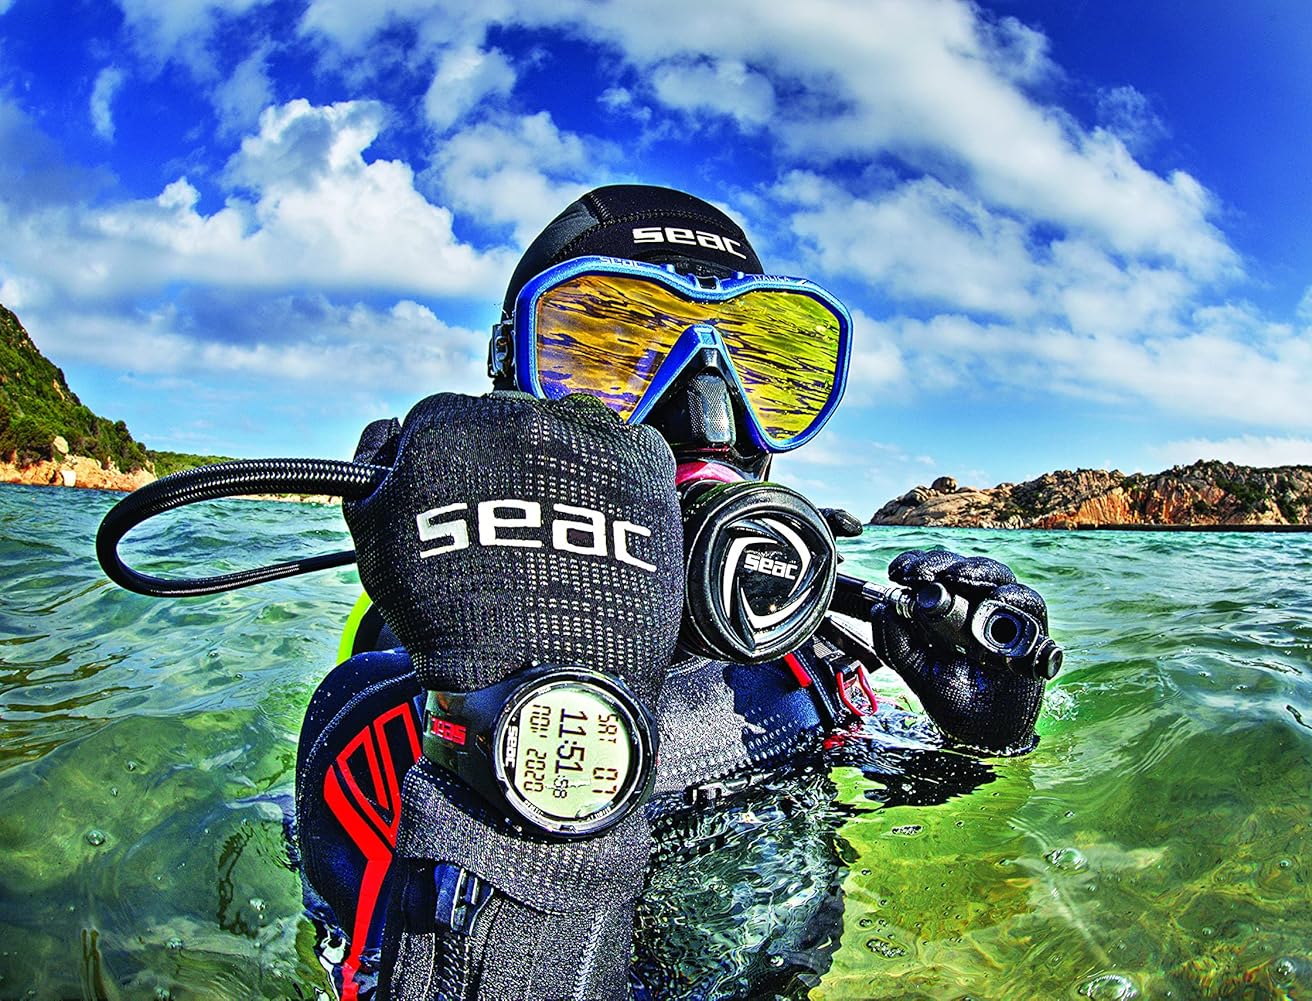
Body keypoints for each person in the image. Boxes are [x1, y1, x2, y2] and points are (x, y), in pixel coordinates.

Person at [293, 184, 1056, 1001]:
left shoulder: (814, 660)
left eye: (765, 367)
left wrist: (982, 739)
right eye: (612, 357)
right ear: (514, 398)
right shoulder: (391, 724)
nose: (713, 421)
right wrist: (528, 733)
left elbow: (888, 808)